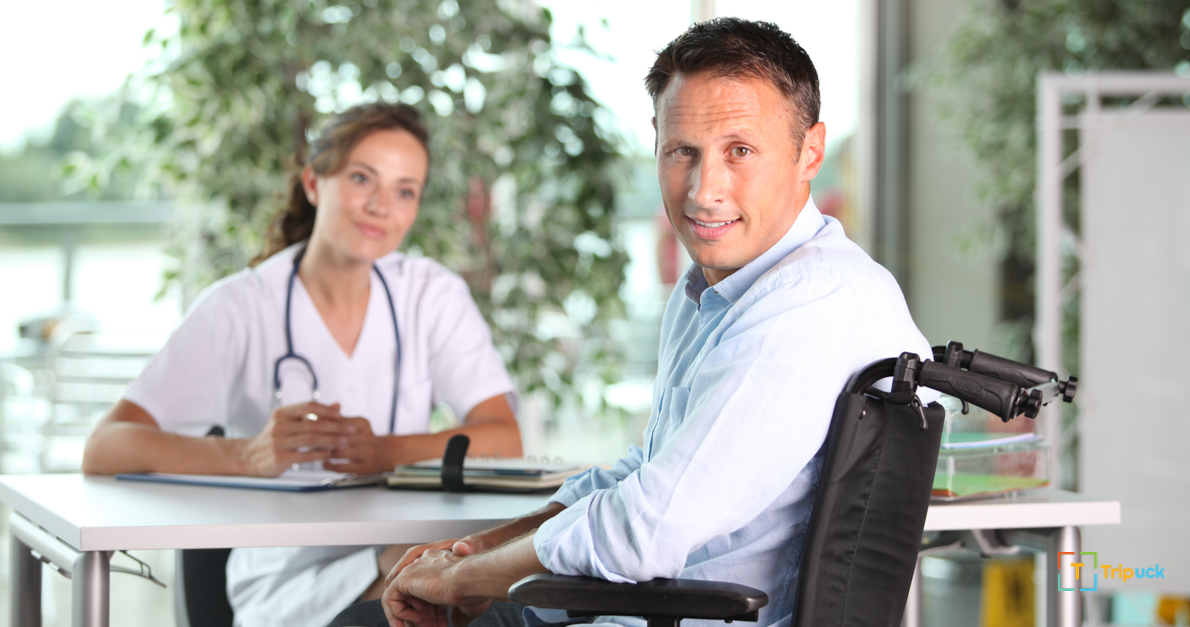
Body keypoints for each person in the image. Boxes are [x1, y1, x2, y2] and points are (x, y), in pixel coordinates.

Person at [327, 17, 936, 627]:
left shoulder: (811, 303)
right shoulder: (712, 289)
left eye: (740, 151)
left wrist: (461, 580)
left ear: (811, 152)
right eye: (683, 152)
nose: (704, 191)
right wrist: (479, 550)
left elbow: (644, 528)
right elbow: (642, 473)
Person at [81, 102, 524, 627]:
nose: (380, 206)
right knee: (436, 592)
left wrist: (383, 451)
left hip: (399, 549)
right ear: (314, 183)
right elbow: (106, 447)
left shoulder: (431, 295)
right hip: (283, 581)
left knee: (453, 581)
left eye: (404, 191)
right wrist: (249, 454)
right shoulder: (241, 305)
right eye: (362, 178)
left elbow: (504, 438)